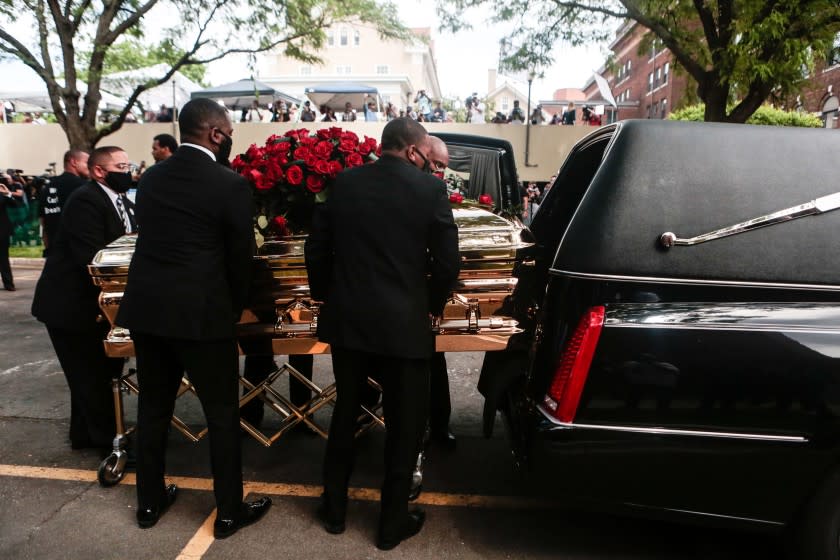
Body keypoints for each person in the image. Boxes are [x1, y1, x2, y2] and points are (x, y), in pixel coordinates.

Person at [115, 98, 271, 536]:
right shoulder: (229, 183)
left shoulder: (151, 179)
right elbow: (240, 257)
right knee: (221, 415)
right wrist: (235, 307)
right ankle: (227, 512)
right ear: (216, 134)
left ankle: (149, 504)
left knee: (153, 411)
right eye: (230, 131)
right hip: (202, 315)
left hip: (148, 309)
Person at [306, 117, 459, 550]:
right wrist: (429, 306)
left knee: (344, 415)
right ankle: (392, 523)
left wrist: (327, 297)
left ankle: (334, 509)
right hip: (404, 323)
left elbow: (317, 249)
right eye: (427, 156)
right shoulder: (429, 190)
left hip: (349, 321)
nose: (430, 165)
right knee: (404, 424)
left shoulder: (344, 183)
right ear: (412, 151)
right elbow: (448, 262)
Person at [31, 146, 136, 452]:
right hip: (70, 306)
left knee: (93, 376)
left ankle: (84, 436)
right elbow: (93, 258)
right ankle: (109, 445)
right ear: (100, 171)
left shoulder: (121, 201)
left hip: (93, 307)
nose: (127, 171)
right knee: (92, 377)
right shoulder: (86, 200)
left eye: (128, 165)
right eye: (121, 166)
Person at [38, 149, 89, 256]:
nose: (89, 167)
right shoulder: (83, 187)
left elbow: (43, 221)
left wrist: (47, 247)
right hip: (77, 250)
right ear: (74, 162)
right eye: (86, 163)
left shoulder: (48, 186)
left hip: (54, 250)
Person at [0, 174, 24, 290]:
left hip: (2, 231)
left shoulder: (2, 193)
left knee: (3, 258)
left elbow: (16, 205)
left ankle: (8, 284)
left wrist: (8, 193)